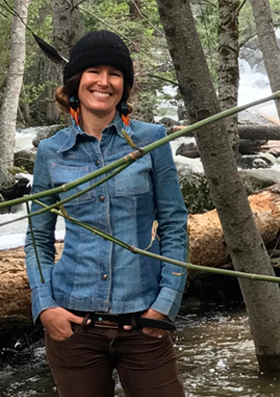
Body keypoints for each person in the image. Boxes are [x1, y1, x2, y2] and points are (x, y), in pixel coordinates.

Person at [24, 30, 188, 397]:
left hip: (144, 323)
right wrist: (44, 305)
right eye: (93, 71)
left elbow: (175, 225)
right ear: (76, 81)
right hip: (73, 327)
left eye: (115, 73)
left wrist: (165, 305)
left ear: (124, 85)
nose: (104, 81)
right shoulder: (51, 152)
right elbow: (38, 236)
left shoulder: (152, 141)